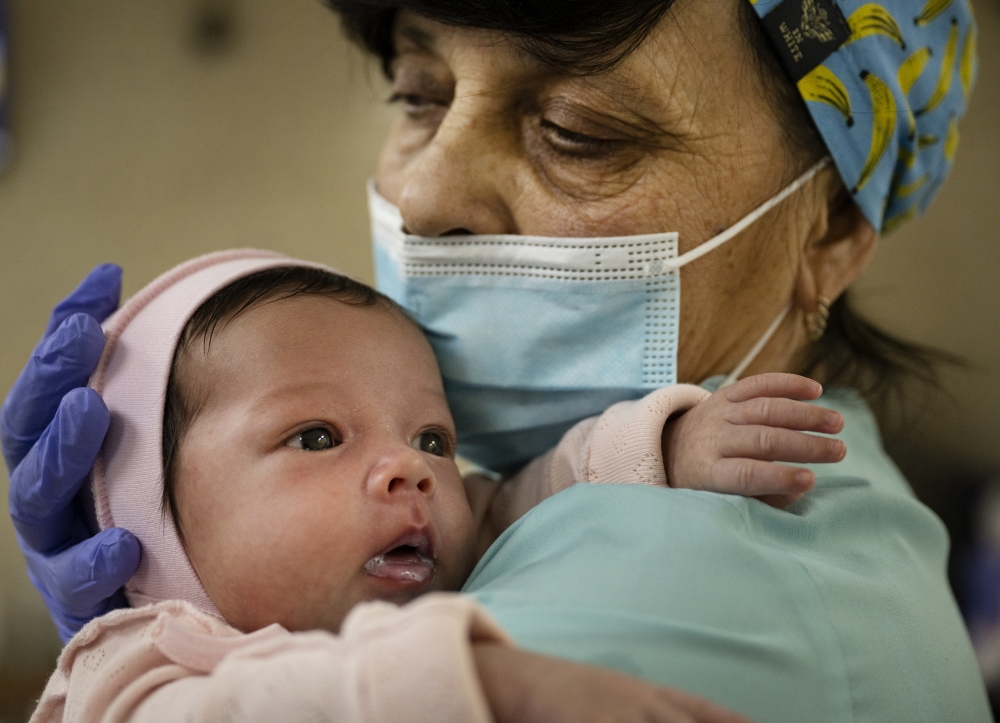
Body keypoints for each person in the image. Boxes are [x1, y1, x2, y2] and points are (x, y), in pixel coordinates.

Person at [3, 0, 991, 720]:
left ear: (829, 234)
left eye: (576, 131)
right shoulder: (576, 512)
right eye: (419, 94)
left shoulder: (681, 587)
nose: (426, 198)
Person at [32, 249, 839, 722]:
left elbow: (527, 497)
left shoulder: (446, 539)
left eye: (432, 437)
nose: (411, 466)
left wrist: (665, 443)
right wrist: (489, 683)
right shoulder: (133, 669)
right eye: (316, 436)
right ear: (152, 517)